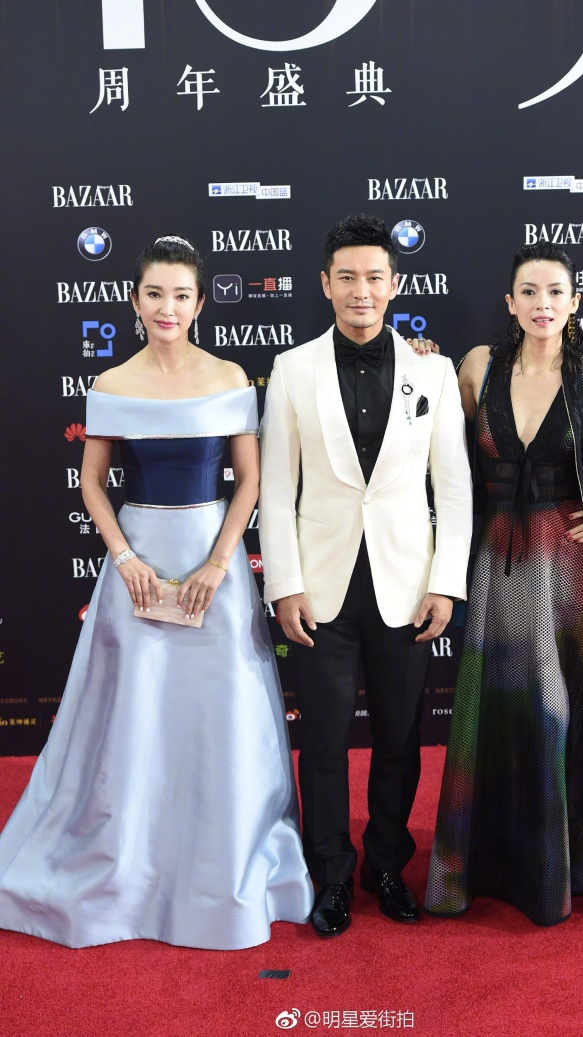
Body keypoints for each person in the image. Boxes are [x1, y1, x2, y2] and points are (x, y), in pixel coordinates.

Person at [0, 235, 313, 949]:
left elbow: (250, 481)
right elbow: (91, 482)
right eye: (154, 294)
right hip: (136, 563)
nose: (167, 307)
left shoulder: (229, 376)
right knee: (135, 713)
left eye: (181, 295)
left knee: (218, 714)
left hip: (213, 565)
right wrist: (123, 556)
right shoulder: (112, 384)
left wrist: (219, 564)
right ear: (135, 301)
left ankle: (221, 864)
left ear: (199, 304)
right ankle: (130, 864)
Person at [425, 241, 583, 927]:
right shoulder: (478, 366)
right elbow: (433, 430)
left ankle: (580, 864)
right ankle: (506, 861)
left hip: (572, 573)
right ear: (510, 302)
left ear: (574, 302)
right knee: (507, 712)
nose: (542, 304)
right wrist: (421, 364)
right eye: (529, 292)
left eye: (555, 292)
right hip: (497, 565)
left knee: (570, 714)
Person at [258, 214, 473, 937]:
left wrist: (445, 581)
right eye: (347, 277)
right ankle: (329, 875)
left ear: (394, 284)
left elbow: (453, 486)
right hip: (319, 587)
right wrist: (284, 583)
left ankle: (386, 864)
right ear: (325, 284)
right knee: (322, 740)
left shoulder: (432, 372)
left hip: (406, 586)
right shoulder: (292, 370)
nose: (361, 290)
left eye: (374, 277)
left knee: (400, 739)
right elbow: (276, 488)